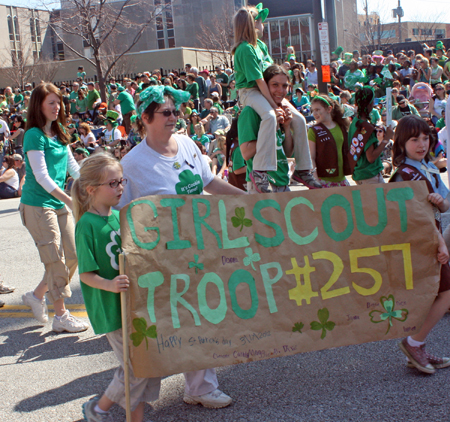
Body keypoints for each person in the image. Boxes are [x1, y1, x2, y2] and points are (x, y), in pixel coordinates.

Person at [118, 85, 245, 410]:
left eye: (176, 111)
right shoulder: (133, 164)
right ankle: (130, 395)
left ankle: (200, 387)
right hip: (164, 257)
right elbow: (124, 214)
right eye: (166, 113)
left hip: (202, 246)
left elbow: (208, 182)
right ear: (145, 118)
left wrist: (246, 200)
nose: (174, 117)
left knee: (203, 313)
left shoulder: (188, 144)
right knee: (180, 318)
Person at [71, 153, 161, 422]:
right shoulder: (86, 225)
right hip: (111, 309)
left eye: (121, 181)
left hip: (132, 305)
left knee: (145, 363)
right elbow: (86, 274)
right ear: (91, 189)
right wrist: (109, 284)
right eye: (112, 183)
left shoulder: (120, 217)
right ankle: (98, 407)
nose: (120, 187)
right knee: (134, 367)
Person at [18, 83, 88, 332]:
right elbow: (42, 177)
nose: (57, 107)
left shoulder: (59, 133)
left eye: (58, 102)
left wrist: (89, 187)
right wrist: (71, 200)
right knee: (55, 260)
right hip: (37, 206)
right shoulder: (33, 135)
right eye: (51, 102)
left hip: (57, 203)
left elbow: (74, 169)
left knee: (73, 255)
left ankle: (36, 295)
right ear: (38, 105)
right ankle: (61, 316)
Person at [232, 5, 318, 193]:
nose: (263, 26)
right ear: (253, 24)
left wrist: (286, 68)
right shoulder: (245, 49)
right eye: (261, 22)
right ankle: (260, 172)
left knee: (300, 119)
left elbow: (272, 73)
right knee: (270, 116)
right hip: (251, 91)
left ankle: (303, 169)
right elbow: (259, 81)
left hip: (265, 90)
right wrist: (274, 105)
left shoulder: (260, 46)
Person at [389, 115, 450, 374]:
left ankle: (418, 345)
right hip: (420, 243)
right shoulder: (404, 175)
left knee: (433, 295)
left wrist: (439, 202)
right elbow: (414, 218)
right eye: (414, 139)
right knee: (445, 294)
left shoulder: (429, 167)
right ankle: (414, 343)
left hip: (432, 238)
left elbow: (445, 205)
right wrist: (441, 244)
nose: (421, 144)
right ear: (402, 143)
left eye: (425, 138)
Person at [239, 65, 294, 193]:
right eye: (275, 85)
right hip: (262, 186)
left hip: (282, 183)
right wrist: (272, 128)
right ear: (264, 87)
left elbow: (287, 153)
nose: (280, 90)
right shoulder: (250, 112)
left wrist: (286, 126)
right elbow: (246, 153)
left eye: (284, 86)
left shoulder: (280, 110)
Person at [348, 87, 392, 185]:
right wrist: (386, 139)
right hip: (370, 175)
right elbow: (371, 157)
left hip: (358, 173)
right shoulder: (366, 128)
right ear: (371, 103)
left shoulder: (354, 123)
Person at [308, 95, 351, 187]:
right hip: (323, 180)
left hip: (342, 180)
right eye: (313, 110)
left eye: (318, 110)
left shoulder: (341, 126)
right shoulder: (313, 130)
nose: (314, 113)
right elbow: (311, 157)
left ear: (329, 109)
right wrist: (315, 181)